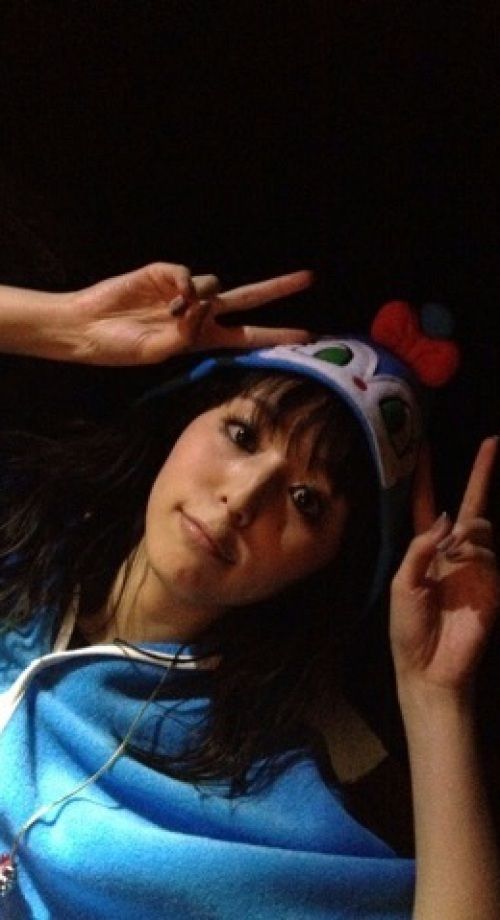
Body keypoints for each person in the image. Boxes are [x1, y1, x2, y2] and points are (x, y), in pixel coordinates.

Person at [0, 262, 498, 919]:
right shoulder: (19, 528)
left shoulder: (260, 787)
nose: (243, 499)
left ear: (322, 567)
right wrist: (60, 326)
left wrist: (437, 701)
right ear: (187, 419)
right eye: (242, 435)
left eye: (306, 500)